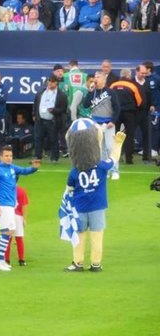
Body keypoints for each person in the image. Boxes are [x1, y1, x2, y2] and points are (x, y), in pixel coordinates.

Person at [65, 119, 126, 272]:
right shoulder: (101, 166)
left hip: (79, 207)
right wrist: (118, 143)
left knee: (79, 236)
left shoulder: (74, 171)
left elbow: (69, 190)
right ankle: (96, 264)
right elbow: (114, 159)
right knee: (97, 236)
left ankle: (78, 263)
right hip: (98, 206)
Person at [0, 146, 40, 271]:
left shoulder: (12, 168)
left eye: (10, 156)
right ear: (0, 157)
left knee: (9, 231)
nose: (9, 158)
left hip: (10, 205)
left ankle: (1, 261)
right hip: (3, 205)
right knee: (7, 231)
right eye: (6, 156)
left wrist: (34, 168)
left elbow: (25, 171)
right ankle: (0, 261)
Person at [83, 71, 121, 179]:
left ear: (104, 79)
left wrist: (113, 121)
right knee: (100, 149)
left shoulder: (110, 92)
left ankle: (115, 170)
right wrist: (89, 91)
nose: (95, 79)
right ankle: (105, 171)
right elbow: (85, 105)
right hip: (96, 124)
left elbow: (117, 107)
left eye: (98, 77)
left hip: (108, 124)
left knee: (110, 147)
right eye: (95, 77)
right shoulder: (93, 92)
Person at [33, 76, 68, 163]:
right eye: (49, 81)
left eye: (52, 82)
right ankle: (38, 157)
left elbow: (64, 108)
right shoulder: (41, 92)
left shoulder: (61, 95)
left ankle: (54, 158)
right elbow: (36, 103)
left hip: (52, 120)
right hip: (40, 119)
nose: (50, 83)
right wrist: (34, 114)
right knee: (38, 138)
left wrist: (54, 110)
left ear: (56, 83)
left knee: (53, 139)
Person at [111, 70, 142, 165]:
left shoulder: (113, 85)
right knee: (129, 135)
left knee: (115, 135)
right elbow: (139, 101)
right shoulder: (132, 86)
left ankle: (116, 156)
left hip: (116, 113)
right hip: (129, 113)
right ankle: (129, 158)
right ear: (129, 76)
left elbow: (108, 98)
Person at [5, 177, 28, 266]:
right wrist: (24, 219)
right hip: (18, 216)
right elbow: (24, 206)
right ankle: (21, 260)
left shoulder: (6, 190)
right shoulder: (21, 191)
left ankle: (6, 260)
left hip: (8, 215)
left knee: (7, 239)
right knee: (19, 238)